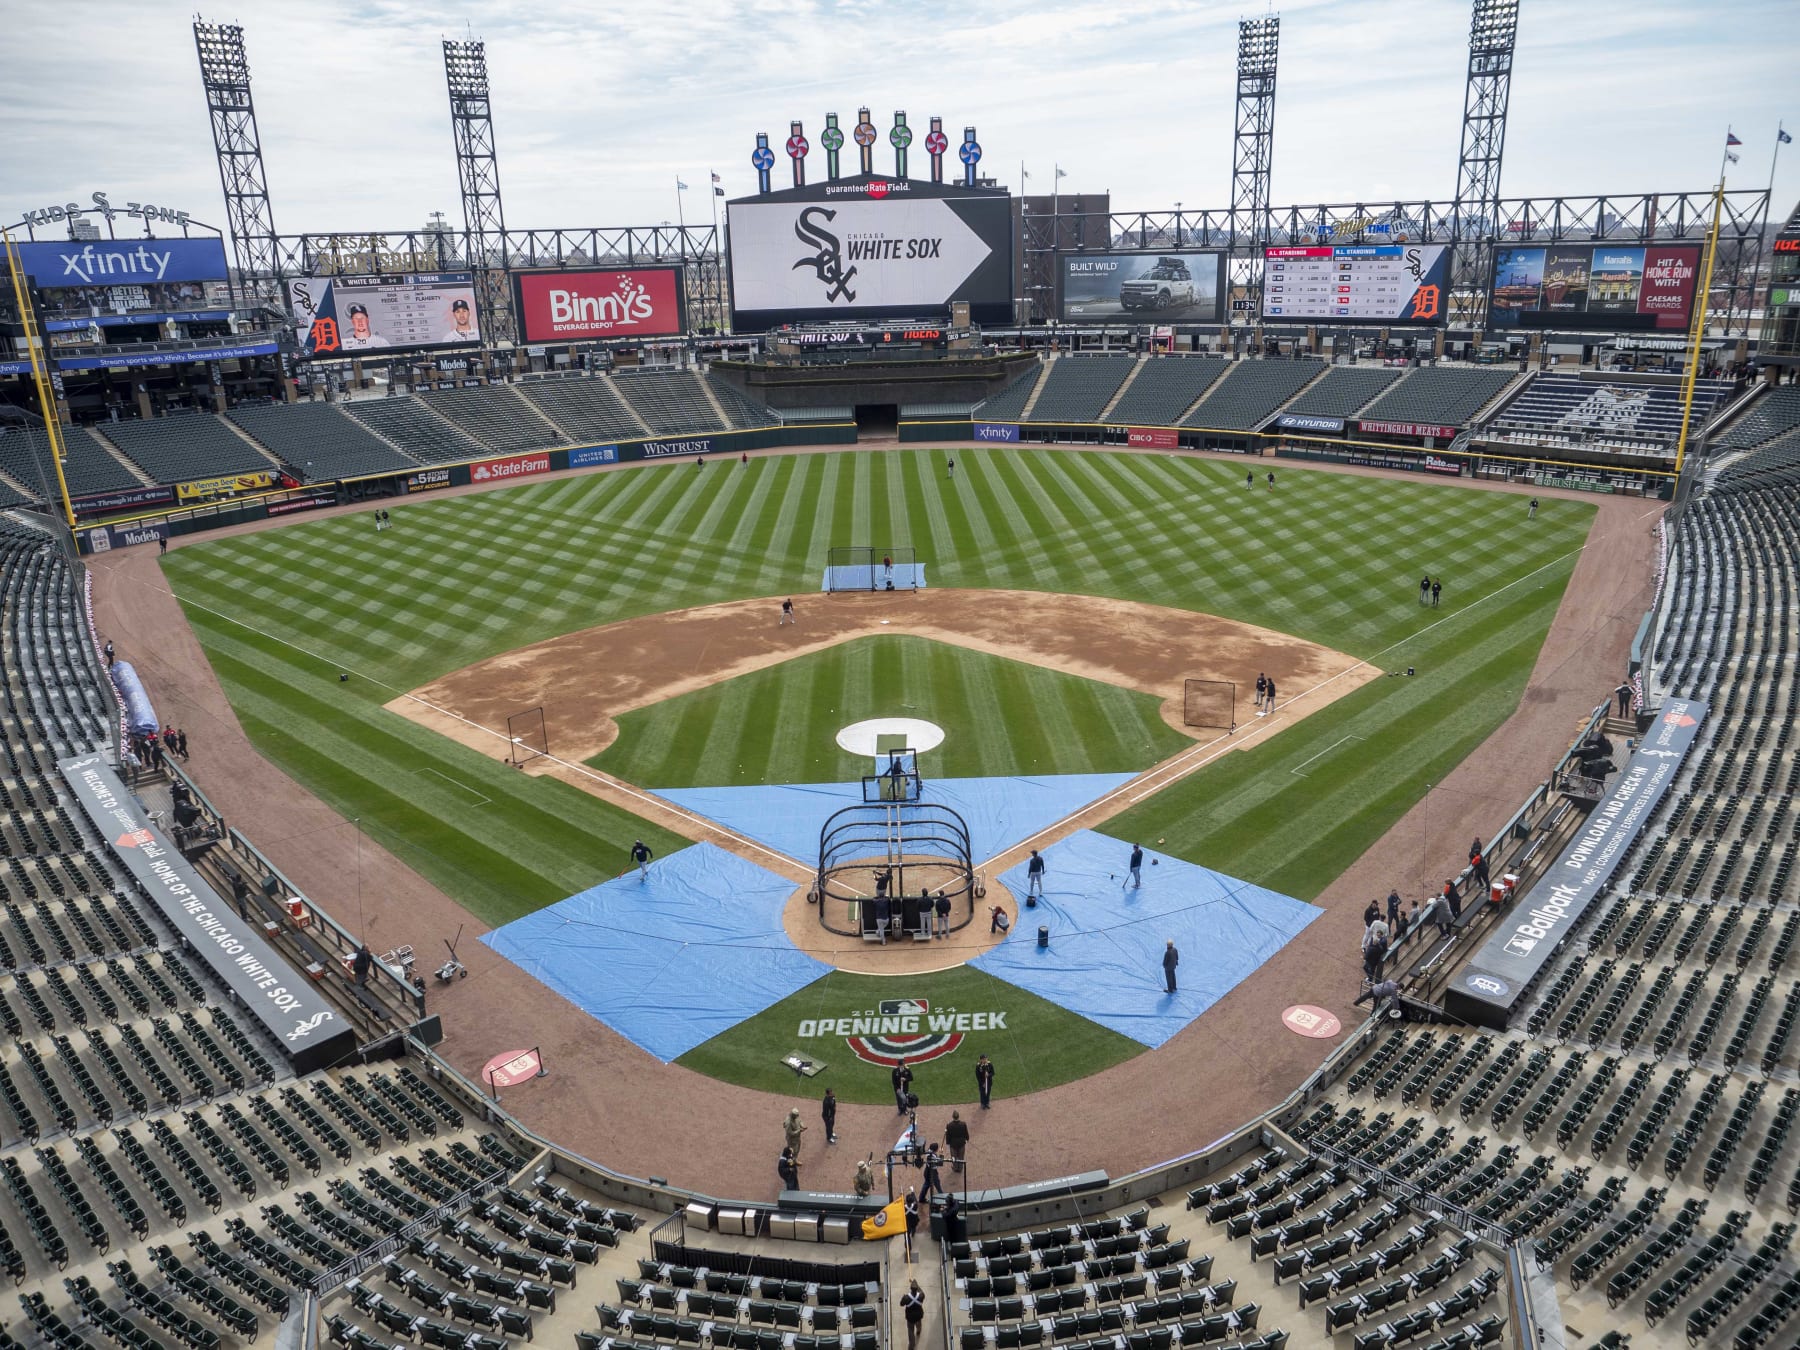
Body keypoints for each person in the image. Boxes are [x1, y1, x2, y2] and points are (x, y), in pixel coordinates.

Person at [1361, 915, 1389, 984]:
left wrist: (1364, 957)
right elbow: (1387, 935)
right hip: (1377, 959)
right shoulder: (1381, 945)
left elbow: (1370, 929)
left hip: (1371, 959)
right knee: (1373, 969)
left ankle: (1370, 979)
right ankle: (1370, 979)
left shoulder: (1372, 947)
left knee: (1365, 967)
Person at [901, 1281, 925, 1350]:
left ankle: (912, 1345)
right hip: (918, 1315)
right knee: (919, 1323)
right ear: (917, 1288)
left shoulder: (906, 1298)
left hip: (910, 1317)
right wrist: (917, 1285)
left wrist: (903, 1297)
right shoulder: (921, 1296)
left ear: (910, 1289)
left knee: (910, 1331)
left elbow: (901, 1304)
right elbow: (921, 1292)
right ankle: (918, 1330)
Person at [903, 1188, 920, 1262]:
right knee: (913, 1228)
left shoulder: (904, 1207)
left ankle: (908, 1247)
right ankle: (913, 1232)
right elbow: (915, 1199)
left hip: (907, 1224)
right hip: (914, 1222)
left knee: (907, 1236)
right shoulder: (915, 1205)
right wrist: (912, 1191)